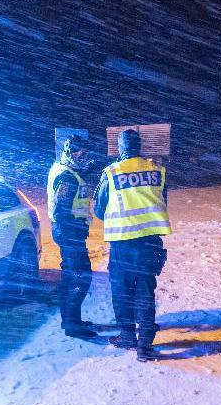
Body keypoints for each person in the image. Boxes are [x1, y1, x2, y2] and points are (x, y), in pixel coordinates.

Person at [92, 129, 171, 362]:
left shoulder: (112, 172)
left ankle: (127, 336)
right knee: (146, 292)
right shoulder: (157, 170)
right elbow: (161, 200)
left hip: (123, 242)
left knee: (122, 291)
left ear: (120, 148)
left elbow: (99, 209)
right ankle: (145, 346)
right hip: (150, 242)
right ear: (139, 146)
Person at [48, 135, 97, 340]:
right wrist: (76, 230)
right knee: (81, 276)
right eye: (80, 153)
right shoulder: (67, 177)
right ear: (70, 152)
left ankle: (69, 320)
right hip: (69, 233)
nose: (84, 157)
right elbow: (62, 210)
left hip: (68, 232)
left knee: (70, 275)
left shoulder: (66, 171)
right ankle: (72, 324)